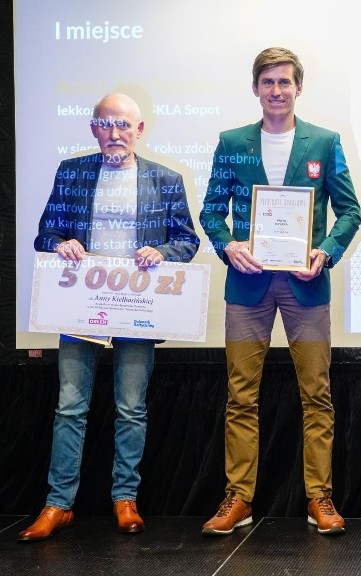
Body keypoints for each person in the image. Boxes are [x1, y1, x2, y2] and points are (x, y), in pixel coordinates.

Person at [20, 93, 199, 541]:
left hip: (137, 309)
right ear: (93, 129)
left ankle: (125, 498)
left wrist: (161, 251)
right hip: (81, 305)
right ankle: (58, 504)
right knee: (70, 406)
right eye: (106, 124)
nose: (115, 133)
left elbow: (187, 241)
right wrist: (60, 243)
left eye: (123, 124)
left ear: (139, 130)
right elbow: (45, 234)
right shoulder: (72, 173)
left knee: (131, 408)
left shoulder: (166, 179)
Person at [199, 47, 361, 536]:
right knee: (240, 397)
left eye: (284, 82)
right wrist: (228, 245)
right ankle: (239, 498)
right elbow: (211, 211)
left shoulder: (324, 142)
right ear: (255, 88)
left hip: (305, 287)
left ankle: (319, 497)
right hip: (246, 287)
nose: (276, 90)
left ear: (298, 88)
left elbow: (350, 211)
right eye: (267, 82)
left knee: (317, 395)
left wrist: (325, 252)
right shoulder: (232, 142)